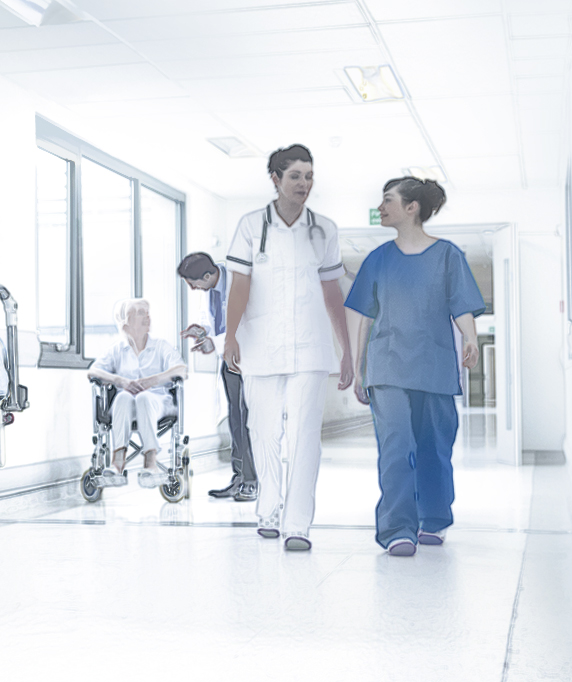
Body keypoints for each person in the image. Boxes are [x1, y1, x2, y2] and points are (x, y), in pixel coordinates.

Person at [224, 143, 355, 552]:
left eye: (310, 176)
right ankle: (268, 509)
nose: (304, 184)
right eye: (296, 176)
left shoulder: (324, 230)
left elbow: (332, 291)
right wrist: (229, 336)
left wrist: (346, 348)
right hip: (260, 347)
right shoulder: (250, 226)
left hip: (311, 349)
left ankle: (297, 524)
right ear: (276, 179)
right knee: (262, 432)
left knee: (304, 436)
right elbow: (240, 284)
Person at [345, 177, 483, 557]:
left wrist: (470, 339)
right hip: (387, 366)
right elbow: (364, 317)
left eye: (388, 200)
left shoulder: (447, 256)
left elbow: (462, 305)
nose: (381, 207)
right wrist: (359, 369)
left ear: (412, 208)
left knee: (434, 447)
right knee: (396, 446)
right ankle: (397, 528)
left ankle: (433, 518)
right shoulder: (378, 259)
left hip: (434, 365)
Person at [178, 251, 257, 501]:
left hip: (251, 361)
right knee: (235, 420)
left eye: (194, 284)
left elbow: (247, 325)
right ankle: (240, 476)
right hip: (230, 361)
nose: (193, 289)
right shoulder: (211, 290)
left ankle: (253, 480)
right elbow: (215, 323)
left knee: (248, 421)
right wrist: (203, 333)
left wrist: (214, 341)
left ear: (209, 275)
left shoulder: (240, 283)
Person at [85, 299, 186, 488]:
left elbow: (181, 370)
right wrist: (120, 381)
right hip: (127, 407)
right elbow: (93, 372)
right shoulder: (117, 350)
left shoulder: (161, 346)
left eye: (147, 312)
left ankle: (151, 461)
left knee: (144, 396)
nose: (147, 316)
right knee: (123, 396)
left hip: (159, 403)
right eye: (140, 312)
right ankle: (117, 462)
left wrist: (152, 380)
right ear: (125, 323)